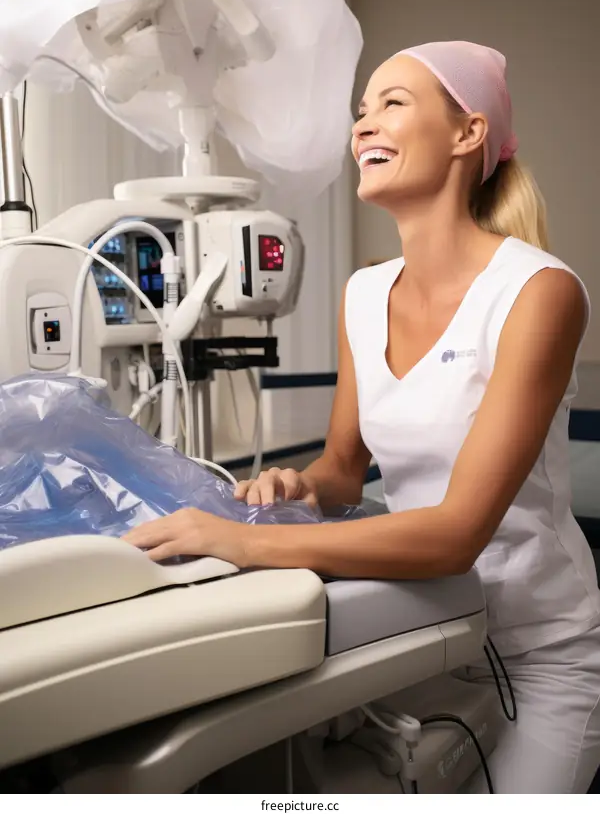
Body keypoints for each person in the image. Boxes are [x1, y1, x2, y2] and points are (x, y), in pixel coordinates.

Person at [123, 40, 600, 793]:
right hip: (424, 630)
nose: (362, 125)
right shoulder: (364, 293)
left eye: (392, 104)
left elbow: (456, 534)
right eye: (361, 111)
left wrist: (242, 543)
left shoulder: (539, 292)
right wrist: (299, 488)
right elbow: (344, 470)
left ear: (468, 133)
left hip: (539, 654)